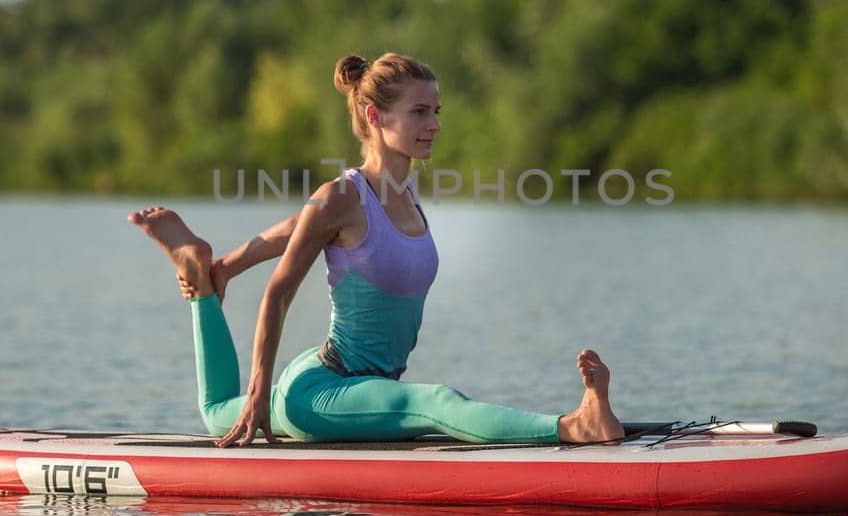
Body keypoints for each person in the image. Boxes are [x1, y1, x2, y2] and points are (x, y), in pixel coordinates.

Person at [128, 52, 625, 448]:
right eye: (419, 112)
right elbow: (278, 292)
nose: (434, 124)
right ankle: (575, 427)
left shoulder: (401, 194)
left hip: (363, 388)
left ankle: (198, 275)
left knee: (218, 414)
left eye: (436, 112)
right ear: (375, 115)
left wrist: (229, 265)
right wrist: (260, 392)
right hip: (324, 391)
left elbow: (299, 225)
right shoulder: (341, 195)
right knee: (435, 402)